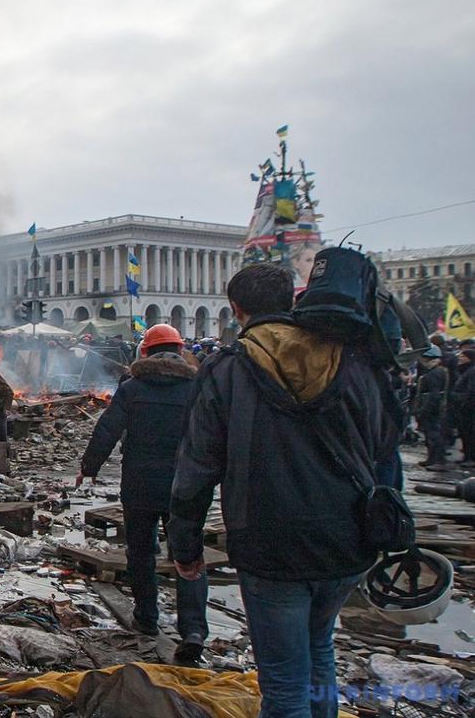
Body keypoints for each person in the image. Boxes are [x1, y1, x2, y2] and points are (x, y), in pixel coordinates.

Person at [169, 263, 396, 718]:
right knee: (320, 652)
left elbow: (195, 471)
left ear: (236, 310)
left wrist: (186, 546)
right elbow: (386, 450)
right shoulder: (352, 359)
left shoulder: (227, 370)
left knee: (285, 684)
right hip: (349, 540)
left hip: (270, 544)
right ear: (292, 300)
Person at [76, 323, 208, 662]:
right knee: (188, 556)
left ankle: (147, 618)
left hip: (139, 483)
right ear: (181, 351)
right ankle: (192, 629)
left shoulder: (132, 388)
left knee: (140, 552)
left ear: (145, 352)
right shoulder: (197, 388)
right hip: (185, 486)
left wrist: (89, 467)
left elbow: (108, 428)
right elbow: (213, 435)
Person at [415, 346, 450, 469]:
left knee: (434, 435)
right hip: (434, 408)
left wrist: (424, 410)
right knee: (432, 435)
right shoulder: (439, 371)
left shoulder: (434, 373)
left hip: (432, 409)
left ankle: (438, 461)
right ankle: (432, 459)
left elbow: (433, 394)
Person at [451, 348, 475, 464]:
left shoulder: (472, 371)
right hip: (464, 407)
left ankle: (470, 457)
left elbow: (471, 391)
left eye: (463, 356)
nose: (459, 358)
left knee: (469, 432)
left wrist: (459, 398)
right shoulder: (465, 370)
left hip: (468, 409)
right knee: (464, 432)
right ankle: (467, 456)